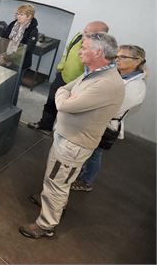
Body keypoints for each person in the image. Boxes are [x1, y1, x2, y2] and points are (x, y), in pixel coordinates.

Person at [19, 32, 124, 239]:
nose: (80, 51)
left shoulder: (105, 83)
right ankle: (56, 204)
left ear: (98, 52)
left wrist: (66, 97)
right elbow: (64, 88)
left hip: (73, 144)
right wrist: (67, 95)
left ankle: (46, 225)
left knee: (57, 183)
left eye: (84, 47)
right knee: (56, 179)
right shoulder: (94, 72)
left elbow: (64, 103)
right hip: (67, 137)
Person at [71, 44, 147, 192]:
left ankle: (86, 181)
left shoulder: (136, 87)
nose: (118, 59)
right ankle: (80, 174)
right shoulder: (115, 74)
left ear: (137, 61)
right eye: (117, 56)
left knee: (94, 153)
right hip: (93, 118)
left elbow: (113, 108)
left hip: (105, 123)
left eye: (123, 57)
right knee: (88, 151)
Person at [27, 21, 109, 131]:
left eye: (87, 31)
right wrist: (60, 69)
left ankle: (62, 132)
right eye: (84, 29)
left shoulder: (100, 52)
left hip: (78, 85)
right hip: (62, 77)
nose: (83, 32)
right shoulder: (78, 37)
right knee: (51, 102)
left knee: (69, 110)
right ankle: (45, 125)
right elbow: (67, 51)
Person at [0, 4, 39, 70]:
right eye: (17, 14)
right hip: (6, 58)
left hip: (20, 62)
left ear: (29, 16)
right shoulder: (12, 24)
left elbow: (27, 48)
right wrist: (1, 54)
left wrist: (9, 58)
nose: (18, 16)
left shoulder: (33, 30)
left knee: (15, 80)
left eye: (21, 15)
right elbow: (3, 39)